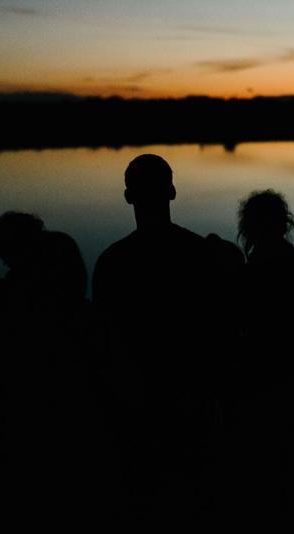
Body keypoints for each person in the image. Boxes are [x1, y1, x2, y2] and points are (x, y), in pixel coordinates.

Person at [90, 154, 217, 520]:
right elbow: (216, 330)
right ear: (173, 192)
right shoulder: (200, 254)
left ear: (128, 197)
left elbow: (105, 341)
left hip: (135, 403)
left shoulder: (111, 262)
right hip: (192, 397)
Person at [0, 211, 92, 527]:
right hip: (65, 422)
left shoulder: (3, 298)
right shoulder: (79, 311)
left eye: (2, 250)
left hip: (7, 418)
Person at [236, 189, 294, 520]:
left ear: (249, 226)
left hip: (260, 380)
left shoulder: (246, 274)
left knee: (265, 473)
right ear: (285, 223)